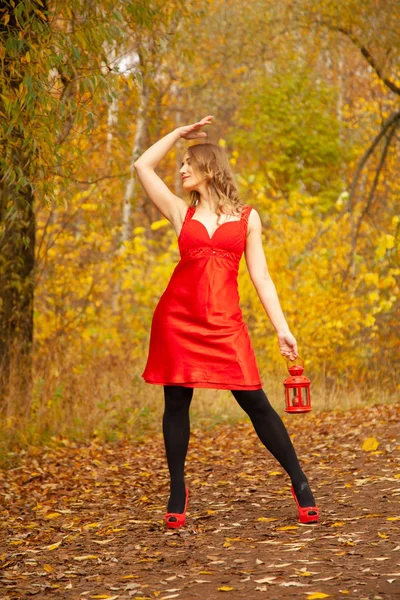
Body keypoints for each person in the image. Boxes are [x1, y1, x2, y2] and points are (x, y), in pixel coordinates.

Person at [134, 115, 319, 529]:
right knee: (176, 403)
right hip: (177, 319)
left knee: (256, 402)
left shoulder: (247, 218)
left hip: (224, 323)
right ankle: (177, 491)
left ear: (210, 169)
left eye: (188, 163)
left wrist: (282, 328)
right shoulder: (180, 212)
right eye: (180, 163)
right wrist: (178, 134)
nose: (181, 169)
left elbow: (262, 277)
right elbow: (142, 166)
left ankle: (300, 481)